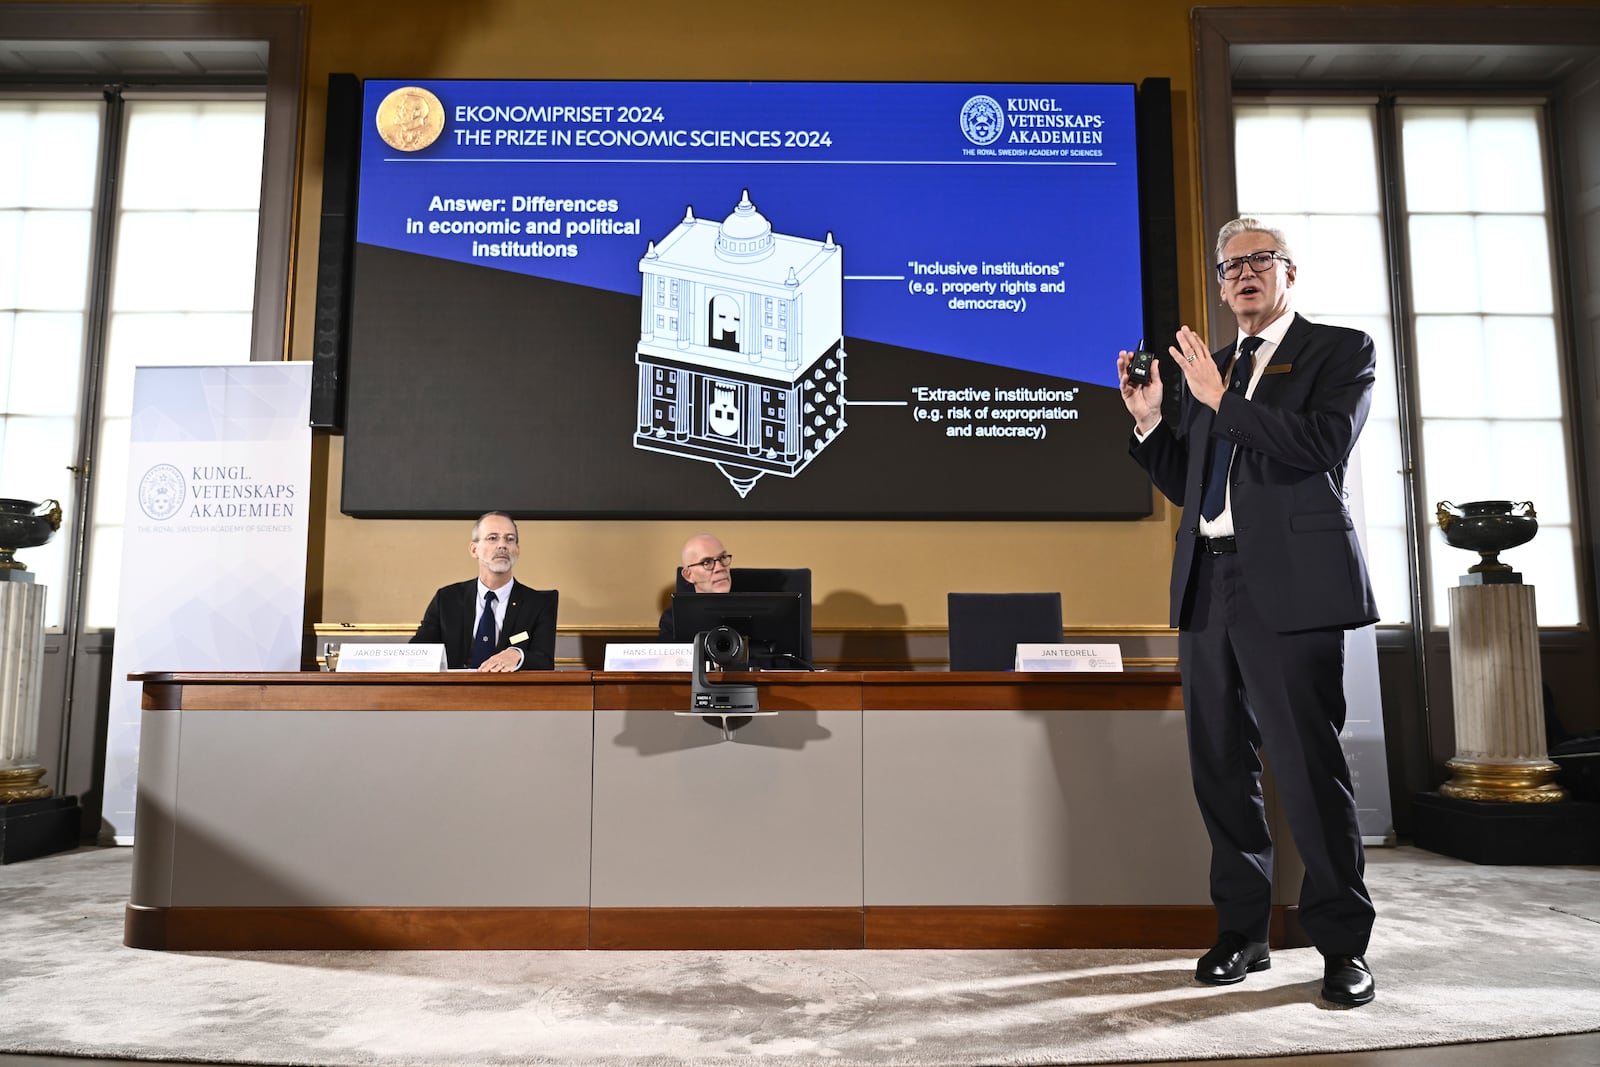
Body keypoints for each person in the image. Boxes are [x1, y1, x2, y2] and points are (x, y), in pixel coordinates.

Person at [1117, 218, 1380, 1007]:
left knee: (1308, 766)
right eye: (1230, 266)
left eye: (1259, 261)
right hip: (1209, 585)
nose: (1242, 275)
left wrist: (1219, 400)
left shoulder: (1340, 350)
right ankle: (1242, 932)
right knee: (1221, 767)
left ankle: (1342, 947)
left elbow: (1320, 446)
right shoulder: (1213, 368)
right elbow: (1194, 482)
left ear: (1289, 273)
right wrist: (1153, 418)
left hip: (1294, 587)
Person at [411, 511, 557, 671]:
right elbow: (417, 651)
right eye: (492, 538)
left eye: (510, 539)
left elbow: (544, 661)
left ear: (517, 550)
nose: (502, 545)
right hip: (453, 692)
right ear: (474, 550)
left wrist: (518, 654)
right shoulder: (446, 599)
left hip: (512, 693)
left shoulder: (538, 604)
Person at [656, 533, 732, 640]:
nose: (720, 568)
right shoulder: (673, 621)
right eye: (707, 562)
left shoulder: (751, 610)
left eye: (722, 557)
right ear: (688, 575)